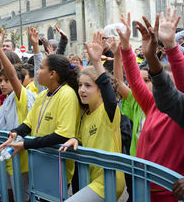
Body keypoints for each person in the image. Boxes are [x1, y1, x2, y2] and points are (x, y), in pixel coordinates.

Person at [117, 11, 184, 202]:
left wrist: (171, 46)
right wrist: (125, 46)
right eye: (161, 83)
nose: (164, 89)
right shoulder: (151, 105)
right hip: (141, 188)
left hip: (169, 192)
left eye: (169, 85)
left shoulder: (180, 112)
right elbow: (134, 79)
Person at [0, 53, 81, 186]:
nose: (37, 71)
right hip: (39, 162)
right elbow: (28, 124)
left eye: (41, 68)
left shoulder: (67, 94)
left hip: (57, 167)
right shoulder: (42, 95)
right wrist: (15, 133)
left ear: (52, 74)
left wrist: (26, 145)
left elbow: (63, 135)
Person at [59, 32, 125, 202]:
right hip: (91, 180)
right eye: (80, 85)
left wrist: (96, 62)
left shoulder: (109, 110)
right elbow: (81, 139)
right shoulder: (85, 116)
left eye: (88, 86)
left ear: (100, 89)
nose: (82, 90)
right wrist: (75, 139)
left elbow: (109, 95)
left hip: (108, 180)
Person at [0, 28, 36, 201]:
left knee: (24, 197)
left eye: (7, 81)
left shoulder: (22, 96)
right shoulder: (7, 100)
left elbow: (12, 74)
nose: (3, 84)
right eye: (1, 81)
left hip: (23, 161)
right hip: (9, 159)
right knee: (12, 195)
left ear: (18, 82)